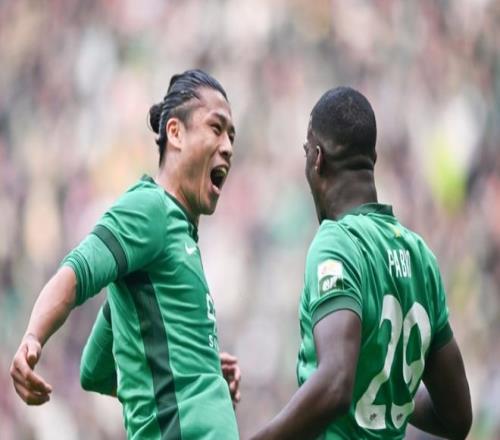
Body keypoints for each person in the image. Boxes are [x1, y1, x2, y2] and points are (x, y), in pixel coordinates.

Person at [10, 69, 241, 440]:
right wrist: (33, 338)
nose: (227, 145)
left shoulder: (175, 238)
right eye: (216, 128)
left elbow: (95, 369)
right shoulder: (151, 208)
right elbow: (76, 272)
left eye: (231, 135)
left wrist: (199, 372)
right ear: (176, 133)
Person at [250, 87, 472, 439]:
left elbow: (336, 383)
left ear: (317, 159)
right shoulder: (420, 256)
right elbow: (458, 417)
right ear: (373, 158)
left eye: (306, 151)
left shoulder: (337, 243)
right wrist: (385, 388)